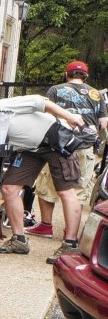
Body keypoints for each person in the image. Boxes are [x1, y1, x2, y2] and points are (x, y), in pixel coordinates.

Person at [0, 95, 86, 259]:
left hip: (56, 139)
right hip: (30, 148)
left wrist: (69, 117)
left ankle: (70, 245)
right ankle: (19, 240)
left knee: (66, 191)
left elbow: (40, 102)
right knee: (9, 188)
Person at [25, 61, 107, 240]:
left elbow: (46, 116)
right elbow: (103, 123)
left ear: (66, 74)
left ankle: (46, 226)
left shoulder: (55, 90)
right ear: (86, 75)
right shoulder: (96, 94)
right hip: (85, 146)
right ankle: (70, 235)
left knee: (47, 185)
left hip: (59, 145)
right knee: (78, 189)